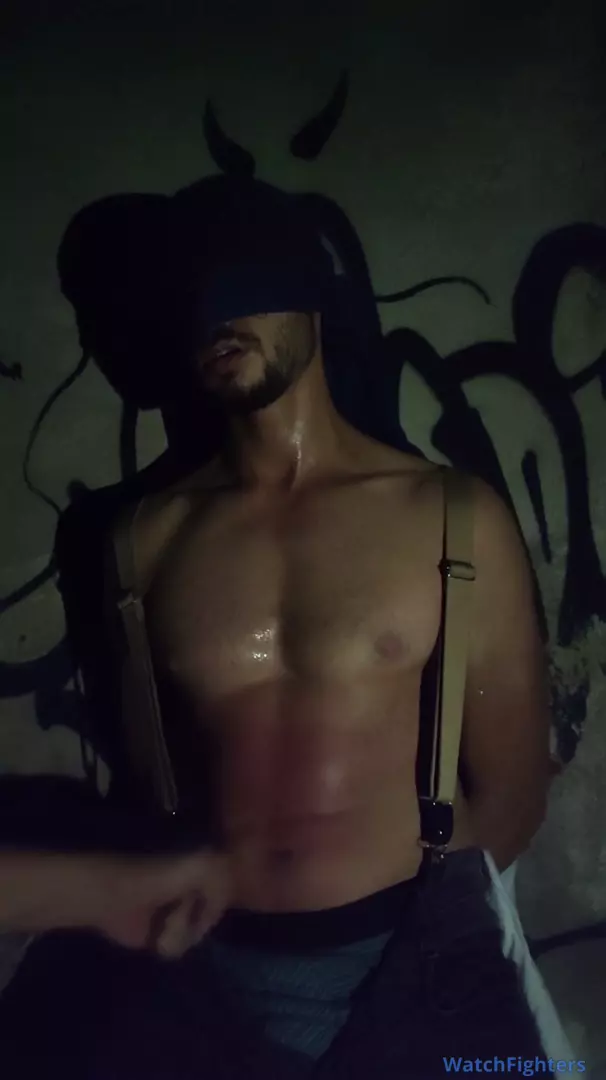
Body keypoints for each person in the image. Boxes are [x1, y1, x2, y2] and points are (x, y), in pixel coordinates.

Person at [0, 178, 552, 1078]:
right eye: (188, 296)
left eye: (242, 282)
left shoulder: (450, 517)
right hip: (206, 974)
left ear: (311, 296)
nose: (215, 319)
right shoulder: (141, 542)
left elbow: (513, 794)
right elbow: (148, 776)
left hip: (415, 968)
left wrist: (420, 932)